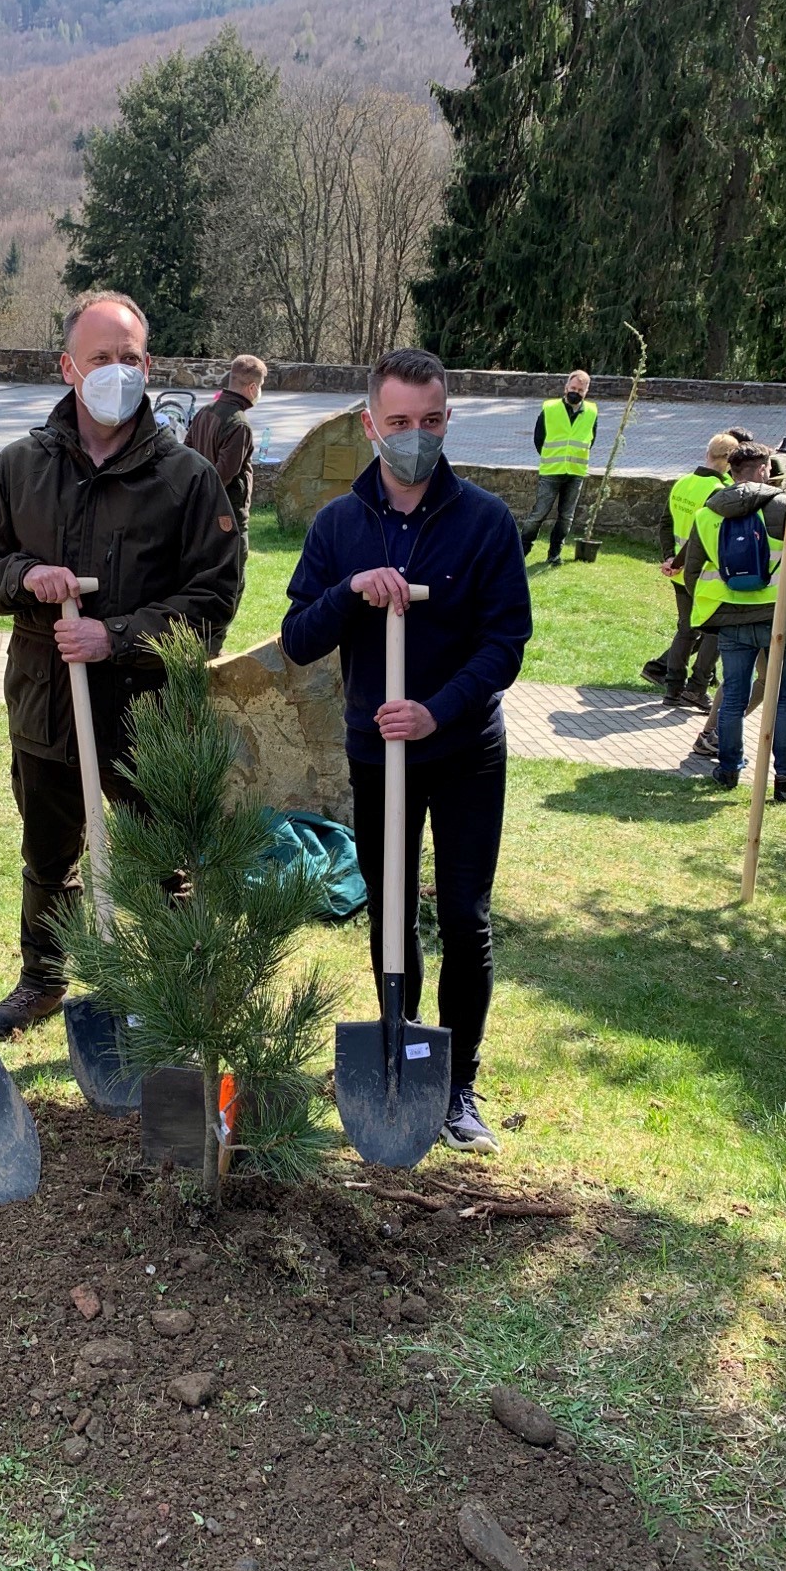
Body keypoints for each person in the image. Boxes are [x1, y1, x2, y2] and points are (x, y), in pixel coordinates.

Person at [0, 290, 244, 1039]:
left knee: (158, 866)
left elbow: (211, 602)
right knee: (50, 857)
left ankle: (166, 992)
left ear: (149, 366)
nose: (116, 372)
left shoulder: (187, 479)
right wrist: (23, 577)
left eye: (129, 358)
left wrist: (115, 636)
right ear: (67, 368)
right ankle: (43, 981)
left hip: (149, 717)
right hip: (48, 708)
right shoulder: (20, 467)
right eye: (99, 359)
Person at [282, 347, 532, 1155]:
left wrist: (438, 712)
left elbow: (505, 643)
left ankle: (457, 1085)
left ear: (447, 420)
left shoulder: (485, 521)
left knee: (464, 917)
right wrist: (351, 591)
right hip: (375, 750)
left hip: (463, 752)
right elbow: (297, 637)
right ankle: (400, 1049)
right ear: (371, 425)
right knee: (390, 915)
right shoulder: (340, 525)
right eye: (399, 423)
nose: (415, 436)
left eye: (430, 422)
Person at [683, 440, 786, 800]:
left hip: (730, 620)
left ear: (731, 470)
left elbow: (693, 571)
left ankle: (728, 770)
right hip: (779, 619)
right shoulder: (784, 508)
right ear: (763, 469)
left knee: (732, 696)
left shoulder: (707, 513)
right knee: (783, 698)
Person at [640, 431, 737, 708]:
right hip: (707, 574)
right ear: (729, 460)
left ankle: (672, 689)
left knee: (686, 629)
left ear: (708, 453)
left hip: (680, 574)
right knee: (712, 632)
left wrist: (670, 558)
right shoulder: (720, 492)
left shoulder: (682, 482)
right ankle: (697, 688)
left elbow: (665, 523)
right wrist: (678, 561)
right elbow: (700, 535)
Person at [187, 353, 266, 555]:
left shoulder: (204, 412)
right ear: (252, 388)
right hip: (227, 513)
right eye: (261, 386)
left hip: (200, 511)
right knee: (232, 577)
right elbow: (223, 474)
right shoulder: (239, 424)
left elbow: (185, 454)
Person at [520, 368, 597, 565]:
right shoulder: (550, 408)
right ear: (565, 387)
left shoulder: (591, 412)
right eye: (573, 388)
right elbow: (539, 438)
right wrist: (551, 456)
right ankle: (521, 550)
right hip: (551, 471)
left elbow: (591, 439)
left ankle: (554, 554)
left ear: (586, 391)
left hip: (576, 472)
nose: (576, 392)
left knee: (566, 518)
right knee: (539, 514)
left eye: (580, 390)